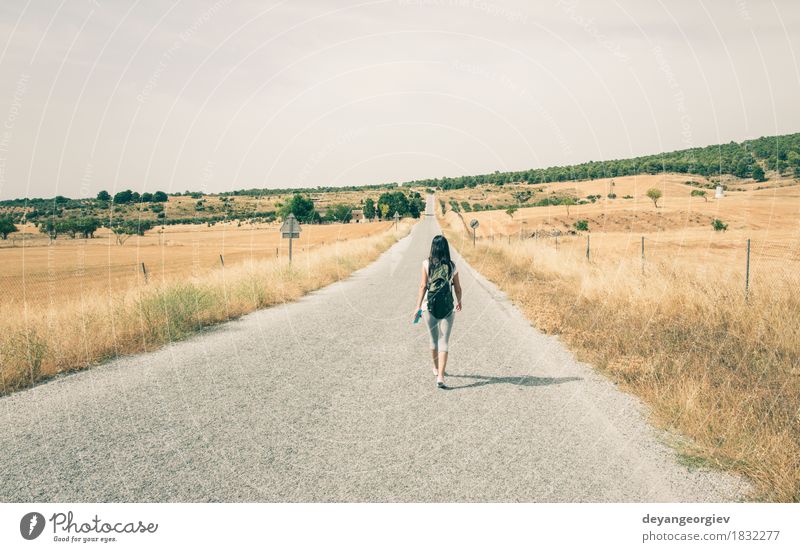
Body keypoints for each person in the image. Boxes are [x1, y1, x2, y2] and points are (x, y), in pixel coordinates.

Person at [413, 235, 462, 389]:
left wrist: (418, 306)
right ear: (446, 247)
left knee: (434, 340)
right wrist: (459, 301)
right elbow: (458, 287)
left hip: (429, 307)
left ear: (433, 247)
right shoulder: (452, 266)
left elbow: (423, 286)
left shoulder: (426, 263)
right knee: (444, 341)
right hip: (447, 307)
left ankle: (435, 368)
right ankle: (441, 376)